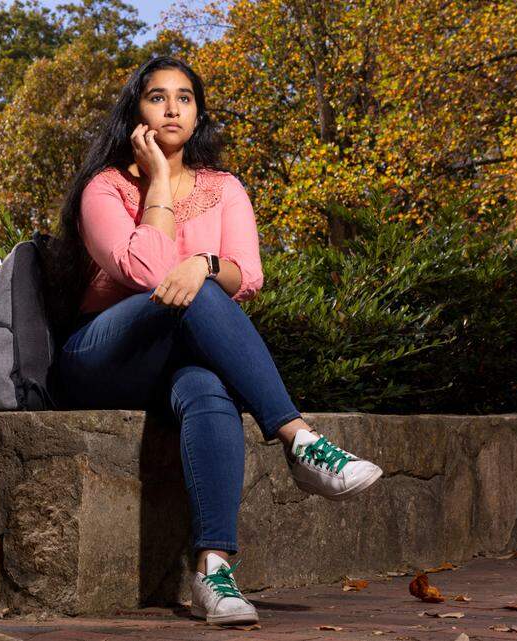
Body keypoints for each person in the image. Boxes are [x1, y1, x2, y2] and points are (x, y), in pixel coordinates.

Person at [43, 56, 384, 627]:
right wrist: (158, 185)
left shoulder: (224, 189)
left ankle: (214, 569)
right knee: (195, 289)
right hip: (99, 355)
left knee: (207, 388)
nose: (172, 107)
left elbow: (248, 275)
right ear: (136, 111)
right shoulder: (104, 188)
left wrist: (203, 262)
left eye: (185, 98)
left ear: (198, 116)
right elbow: (146, 269)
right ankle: (298, 437)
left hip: (173, 362)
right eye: (157, 97)